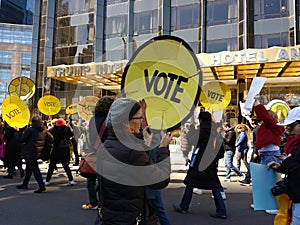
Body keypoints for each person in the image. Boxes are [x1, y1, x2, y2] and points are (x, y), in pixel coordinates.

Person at [98, 98, 172, 225]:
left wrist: (142, 144)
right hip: (130, 218)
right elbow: (161, 180)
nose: (141, 122)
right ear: (127, 123)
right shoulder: (133, 152)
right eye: (139, 118)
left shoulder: (105, 146)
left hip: (110, 216)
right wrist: (163, 149)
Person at [173, 111, 227, 219]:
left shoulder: (201, 130)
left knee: (190, 183)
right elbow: (221, 150)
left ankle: (183, 206)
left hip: (199, 161)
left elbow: (191, 140)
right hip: (210, 162)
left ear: (200, 120)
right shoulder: (216, 132)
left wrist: (192, 129)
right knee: (215, 186)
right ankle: (221, 210)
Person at [268, 106, 300, 225]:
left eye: (292, 126)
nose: (289, 130)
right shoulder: (296, 143)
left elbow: (297, 167)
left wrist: (286, 162)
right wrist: (282, 166)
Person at [81, 96, 114, 210]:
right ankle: (103, 202)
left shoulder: (92, 119)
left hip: (94, 150)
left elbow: (91, 136)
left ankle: (93, 202)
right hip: (107, 152)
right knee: (104, 179)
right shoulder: (110, 120)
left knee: (90, 179)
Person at [253, 94, 285, 214]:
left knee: (270, 181)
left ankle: (273, 205)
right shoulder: (268, 126)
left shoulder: (272, 125)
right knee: (264, 180)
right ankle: (263, 202)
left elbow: (263, 116)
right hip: (267, 154)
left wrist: (257, 103)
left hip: (270, 154)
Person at [15, 115, 47, 193]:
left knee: (35, 169)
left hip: (30, 151)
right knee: (29, 168)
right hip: (38, 151)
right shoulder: (44, 130)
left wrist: (17, 132)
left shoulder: (30, 130)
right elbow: (51, 138)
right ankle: (25, 184)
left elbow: (21, 140)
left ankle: (41, 185)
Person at [44, 118, 75, 186]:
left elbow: (47, 134)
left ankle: (47, 180)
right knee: (66, 165)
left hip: (56, 149)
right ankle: (71, 180)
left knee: (52, 166)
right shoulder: (67, 129)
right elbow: (72, 134)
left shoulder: (53, 130)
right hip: (65, 149)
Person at [240, 116, 260, 185]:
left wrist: (256, 151)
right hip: (256, 149)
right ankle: (250, 178)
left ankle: (248, 178)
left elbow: (257, 141)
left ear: (253, 121)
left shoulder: (256, 129)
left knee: (252, 164)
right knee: (255, 164)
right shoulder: (257, 128)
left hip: (256, 149)